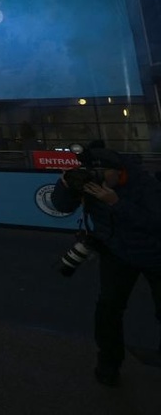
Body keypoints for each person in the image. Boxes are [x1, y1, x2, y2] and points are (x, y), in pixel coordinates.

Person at [51, 142, 161, 387]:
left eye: (102, 175)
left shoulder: (143, 183)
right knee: (108, 310)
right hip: (117, 252)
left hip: (155, 252)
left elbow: (156, 221)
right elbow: (61, 206)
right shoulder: (92, 183)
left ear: (117, 170)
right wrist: (66, 185)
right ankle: (108, 365)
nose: (97, 179)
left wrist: (116, 203)